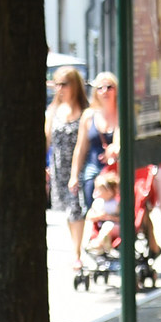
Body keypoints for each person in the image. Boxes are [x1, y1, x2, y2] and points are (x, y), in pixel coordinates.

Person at [47, 66, 92, 274]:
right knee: (68, 209)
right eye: (57, 84)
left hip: (79, 165)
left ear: (75, 85)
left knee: (76, 208)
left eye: (64, 84)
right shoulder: (53, 111)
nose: (60, 88)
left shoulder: (85, 111)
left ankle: (77, 253)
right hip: (58, 167)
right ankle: (76, 248)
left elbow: (85, 143)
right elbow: (47, 140)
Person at [74, 72, 120, 218]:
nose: (105, 91)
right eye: (100, 88)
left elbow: (119, 140)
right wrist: (74, 175)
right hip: (93, 170)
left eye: (109, 87)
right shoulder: (89, 116)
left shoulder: (122, 114)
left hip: (115, 171)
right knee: (92, 211)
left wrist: (115, 148)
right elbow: (80, 148)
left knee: (115, 211)